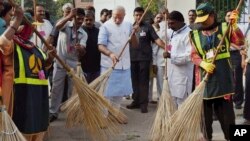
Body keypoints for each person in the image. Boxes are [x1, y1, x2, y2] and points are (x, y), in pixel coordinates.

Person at [190, 2, 244, 140]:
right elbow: (194, 55)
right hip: (205, 81)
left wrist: (235, 26)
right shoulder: (194, 34)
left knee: (228, 119)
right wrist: (202, 63)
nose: (202, 23)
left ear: (213, 16)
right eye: (200, 20)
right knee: (205, 120)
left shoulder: (225, 28)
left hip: (223, 80)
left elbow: (239, 42)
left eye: (205, 20)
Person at [11, 12, 55, 141]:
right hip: (21, 95)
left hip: (39, 96)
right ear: (24, 27)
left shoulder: (34, 47)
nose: (33, 31)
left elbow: (42, 68)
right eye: (31, 27)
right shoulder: (11, 44)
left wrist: (49, 60)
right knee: (22, 128)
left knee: (37, 128)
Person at [98, 6, 138, 120]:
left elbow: (135, 45)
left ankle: (115, 115)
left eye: (120, 17)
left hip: (124, 64)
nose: (117, 20)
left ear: (124, 15)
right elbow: (100, 46)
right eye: (115, 17)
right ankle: (103, 117)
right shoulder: (105, 26)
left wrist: (134, 33)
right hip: (109, 64)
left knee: (119, 93)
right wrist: (110, 54)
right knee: (106, 93)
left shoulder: (128, 25)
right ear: (112, 15)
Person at [49, 8, 87, 122]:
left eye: (82, 19)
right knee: (56, 88)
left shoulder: (83, 33)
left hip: (73, 63)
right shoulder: (66, 25)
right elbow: (57, 26)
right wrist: (69, 16)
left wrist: (80, 49)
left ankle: (71, 112)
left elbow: (83, 51)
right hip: (60, 61)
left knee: (72, 90)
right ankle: (53, 112)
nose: (80, 21)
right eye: (78, 18)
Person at [126, 7, 165, 113]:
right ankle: (136, 101)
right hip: (132, 59)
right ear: (133, 15)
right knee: (134, 82)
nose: (138, 17)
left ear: (144, 15)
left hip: (144, 59)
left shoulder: (148, 27)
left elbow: (157, 39)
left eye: (140, 15)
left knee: (143, 82)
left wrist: (166, 47)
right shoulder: (129, 27)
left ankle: (144, 104)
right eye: (136, 15)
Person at [162, 11, 194, 107]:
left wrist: (171, 56)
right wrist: (165, 17)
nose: (170, 26)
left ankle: (183, 122)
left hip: (183, 75)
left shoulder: (189, 34)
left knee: (182, 102)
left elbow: (190, 55)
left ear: (180, 22)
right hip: (173, 75)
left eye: (172, 23)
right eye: (169, 23)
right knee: (173, 101)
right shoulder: (173, 32)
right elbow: (161, 33)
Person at [0, 2, 23, 116]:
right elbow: (3, 43)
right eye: (10, 15)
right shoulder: (2, 23)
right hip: (4, 77)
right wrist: (18, 20)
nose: (11, 19)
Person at [225, 10, 245, 109]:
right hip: (225, 55)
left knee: (237, 78)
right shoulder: (223, 28)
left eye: (231, 16)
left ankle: (238, 101)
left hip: (236, 55)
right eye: (228, 16)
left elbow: (242, 42)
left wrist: (238, 48)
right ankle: (227, 100)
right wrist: (237, 47)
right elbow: (225, 42)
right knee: (227, 78)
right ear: (225, 17)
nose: (229, 17)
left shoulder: (238, 28)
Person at [80, 10, 100, 83]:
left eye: (90, 20)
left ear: (94, 20)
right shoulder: (80, 31)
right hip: (83, 67)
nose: (88, 22)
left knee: (94, 90)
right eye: (86, 20)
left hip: (96, 67)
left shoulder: (99, 31)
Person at [150, 13, 164, 103]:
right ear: (154, 18)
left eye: (161, 18)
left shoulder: (167, 30)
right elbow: (154, 49)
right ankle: (157, 99)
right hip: (157, 60)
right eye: (157, 17)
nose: (159, 19)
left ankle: (163, 99)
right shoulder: (152, 30)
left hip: (168, 60)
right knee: (157, 82)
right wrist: (154, 63)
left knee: (165, 82)